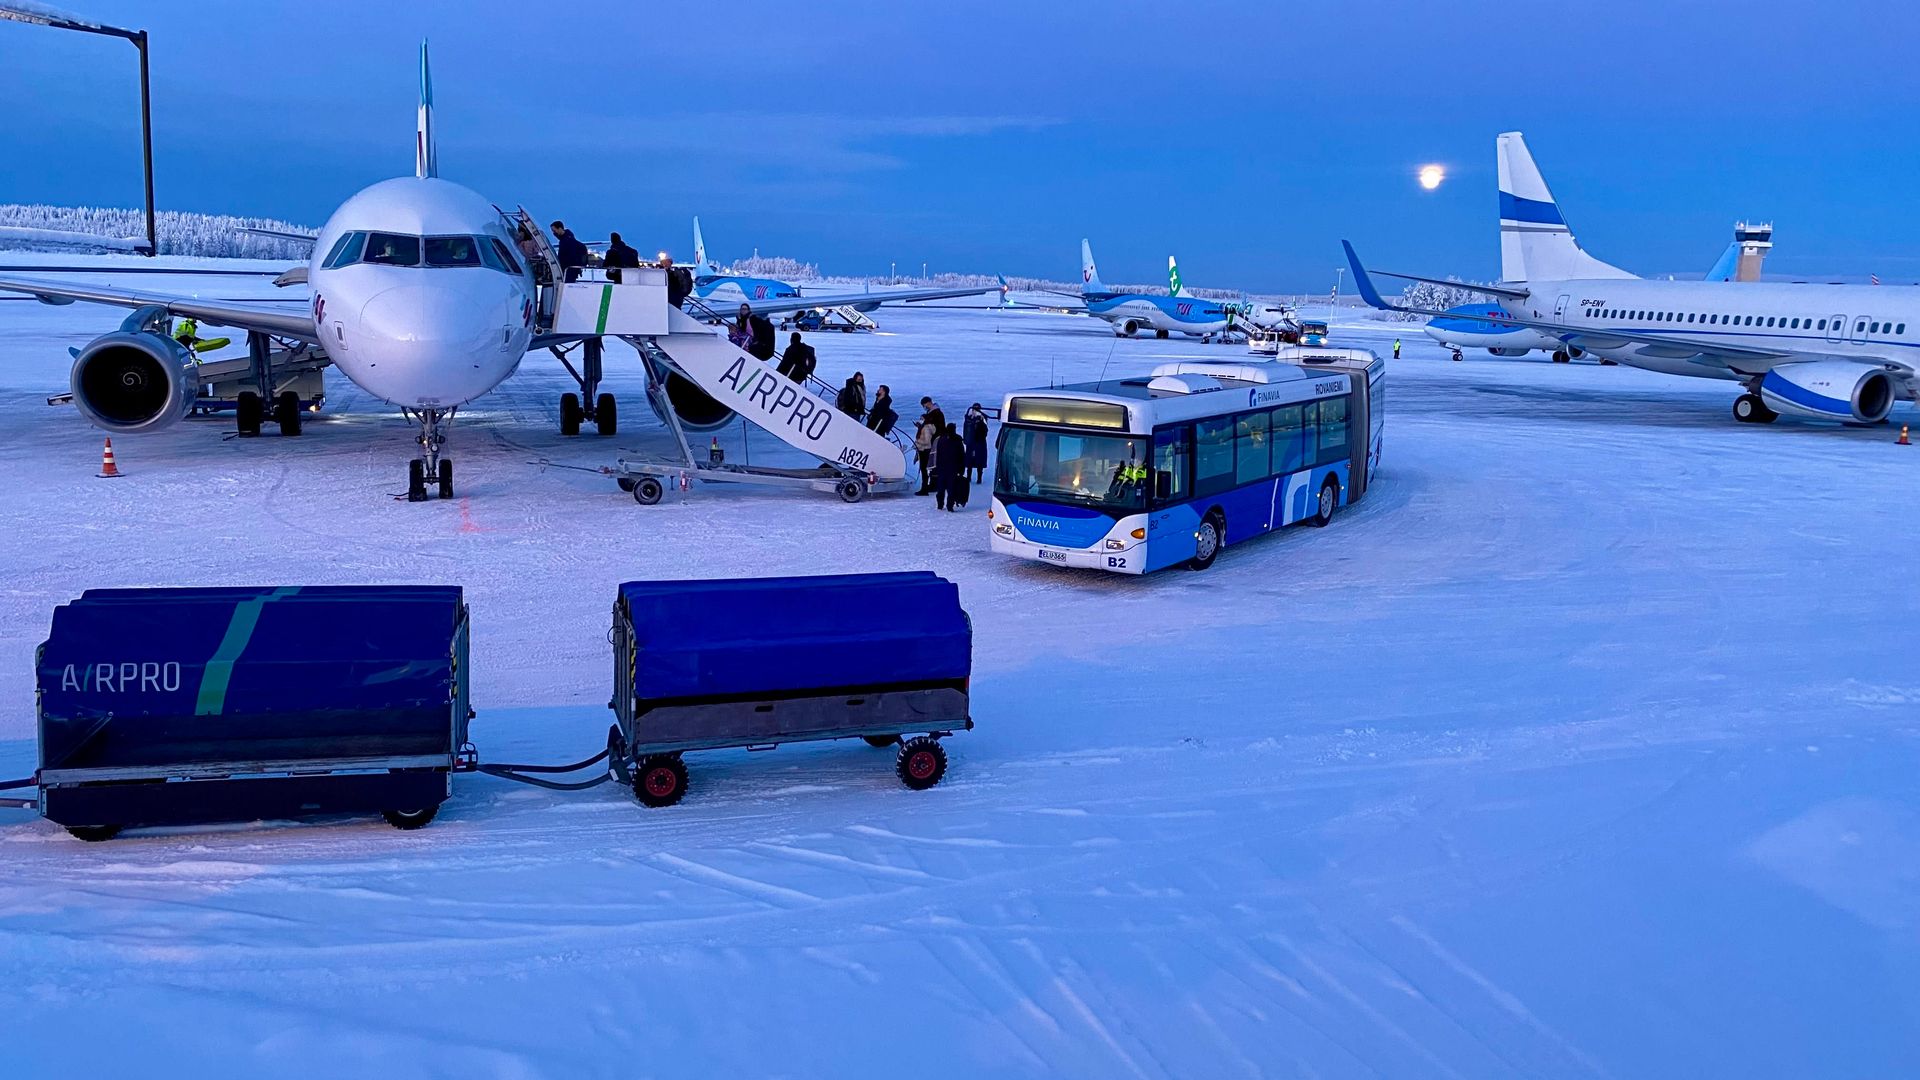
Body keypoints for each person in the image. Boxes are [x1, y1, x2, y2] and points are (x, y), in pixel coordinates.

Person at [934, 422, 968, 511]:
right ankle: (950, 506)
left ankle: (940, 505)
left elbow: (938, 454)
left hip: (942, 467)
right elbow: (962, 455)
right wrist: (961, 469)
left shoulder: (941, 439)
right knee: (951, 488)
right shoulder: (957, 440)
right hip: (953, 468)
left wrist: (937, 467)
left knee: (941, 488)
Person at [962, 403, 990, 483]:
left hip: (979, 441)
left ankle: (978, 478)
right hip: (973, 442)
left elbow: (985, 430)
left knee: (978, 460)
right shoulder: (969, 417)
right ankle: (969, 477)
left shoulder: (982, 418)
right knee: (970, 460)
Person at [913, 412, 938, 495]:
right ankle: (924, 488)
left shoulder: (926, 428)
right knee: (923, 470)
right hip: (923, 450)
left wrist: (917, 443)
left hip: (924, 450)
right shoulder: (923, 427)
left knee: (924, 470)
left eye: (921, 418)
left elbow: (927, 441)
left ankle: (924, 489)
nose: (920, 420)